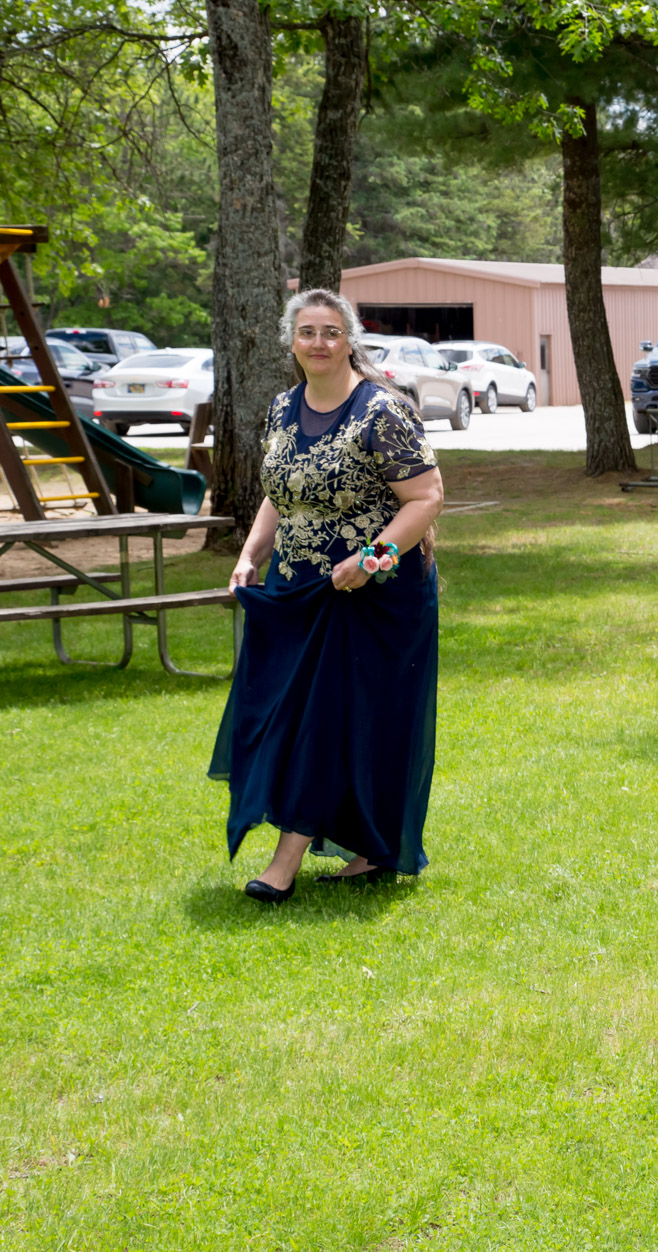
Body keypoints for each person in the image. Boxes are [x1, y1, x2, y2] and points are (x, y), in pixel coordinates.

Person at [210, 289, 445, 903]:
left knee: (334, 719)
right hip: (298, 591)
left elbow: (426, 498)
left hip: (374, 596)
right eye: (307, 331)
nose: (319, 342)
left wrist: (371, 560)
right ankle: (368, 849)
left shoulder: (381, 413)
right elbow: (280, 494)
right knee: (293, 717)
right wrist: (249, 555)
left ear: (350, 340)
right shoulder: (282, 410)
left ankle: (283, 864)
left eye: (331, 331)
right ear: (292, 340)